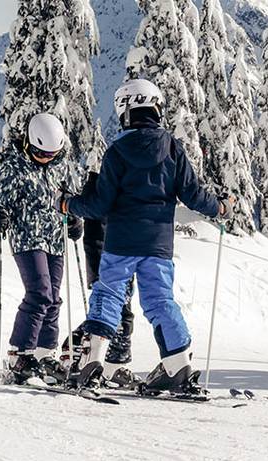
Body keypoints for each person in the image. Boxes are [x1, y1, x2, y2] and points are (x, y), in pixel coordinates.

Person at [61, 78, 233, 395]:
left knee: (109, 294)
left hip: (121, 242)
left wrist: (69, 204)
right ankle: (178, 366)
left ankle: (92, 363)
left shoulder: (116, 151)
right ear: (155, 108)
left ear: (125, 111)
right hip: (158, 244)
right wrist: (220, 207)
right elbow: (194, 195)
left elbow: (99, 205)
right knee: (160, 301)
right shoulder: (173, 148)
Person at [0, 113, 83, 385]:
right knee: (40, 293)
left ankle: (44, 353)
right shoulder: (13, 167)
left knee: (53, 298)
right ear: (29, 143)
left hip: (55, 239)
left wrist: (75, 219)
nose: (46, 158)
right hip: (27, 238)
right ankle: (20, 353)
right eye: (41, 153)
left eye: (52, 154)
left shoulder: (62, 166)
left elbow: (71, 198)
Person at [80, 171, 142, 389]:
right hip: (106, 261)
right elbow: (95, 233)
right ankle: (91, 360)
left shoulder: (127, 189)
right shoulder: (100, 188)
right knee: (112, 312)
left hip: (124, 258)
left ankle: (114, 365)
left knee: (124, 312)